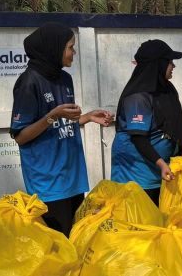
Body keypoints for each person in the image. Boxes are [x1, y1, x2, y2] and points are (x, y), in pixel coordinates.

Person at [10, 22, 112, 235]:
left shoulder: (65, 78)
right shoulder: (28, 82)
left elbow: (62, 123)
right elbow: (21, 136)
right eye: (70, 47)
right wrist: (52, 115)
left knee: (76, 238)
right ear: (53, 48)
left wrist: (87, 117)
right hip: (48, 184)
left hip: (73, 177)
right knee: (58, 244)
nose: (74, 52)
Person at [110, 39, 182, 205]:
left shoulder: (167, 89)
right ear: (158, 64)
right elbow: (138, 138)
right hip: (135, 172)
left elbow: (176, 121)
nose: (173, 66)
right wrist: (161, 164)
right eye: (170, 62)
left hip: (160, 169)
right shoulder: (138, 97)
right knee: (140, 215)